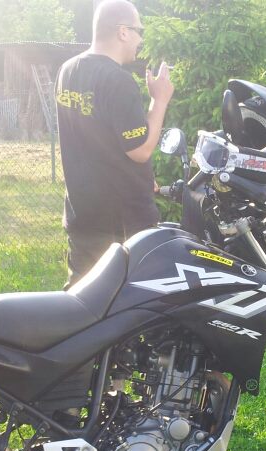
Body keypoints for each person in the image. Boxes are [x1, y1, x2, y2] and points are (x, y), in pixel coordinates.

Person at [56, 0, 174, 288]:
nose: (140, 40)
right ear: (123, 32)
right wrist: (159, 100)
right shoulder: (117, 81)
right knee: (130, 305)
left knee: (81, 299)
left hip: (81, 214)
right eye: (138, 31)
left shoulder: (67, 70)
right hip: (121, 224)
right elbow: (140, 150)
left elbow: (96, 137)